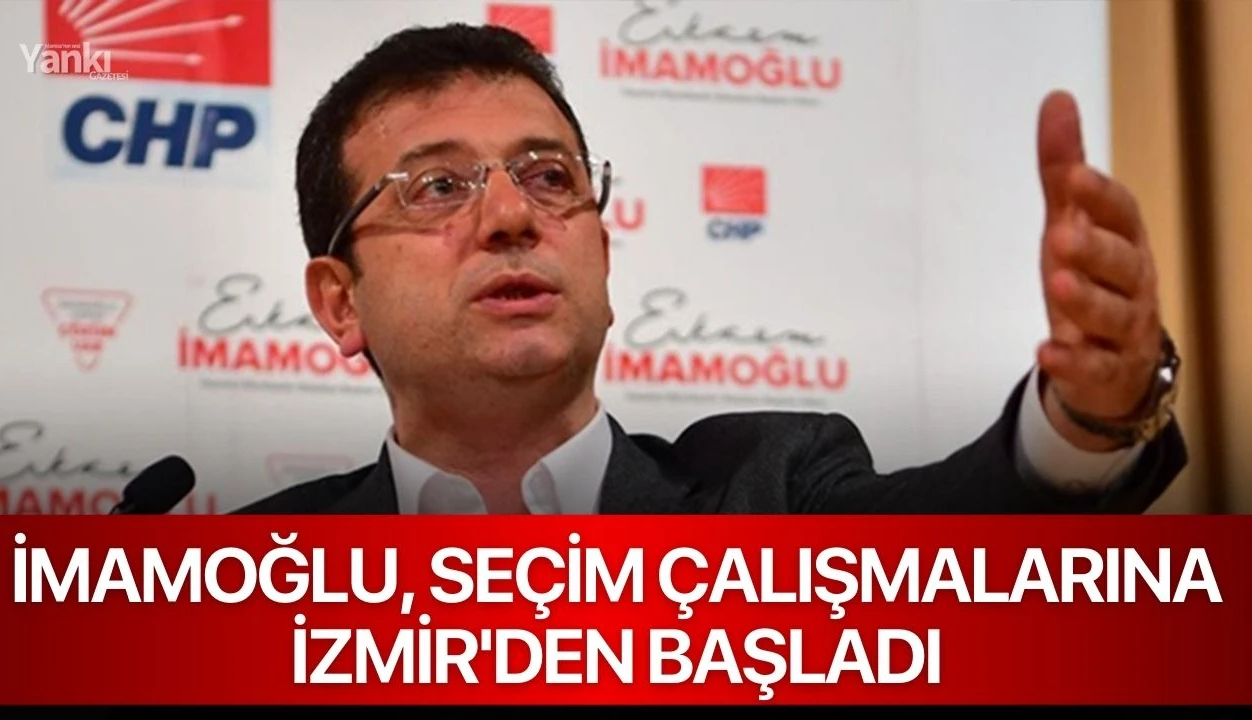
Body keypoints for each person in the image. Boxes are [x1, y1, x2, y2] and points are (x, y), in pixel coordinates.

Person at [234, 23, 1186, 515]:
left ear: (602, 250)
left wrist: (1088, 418)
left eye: (550, 177)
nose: (514, 216)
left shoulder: (772, 487)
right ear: (339, 302)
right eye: (439, 187)